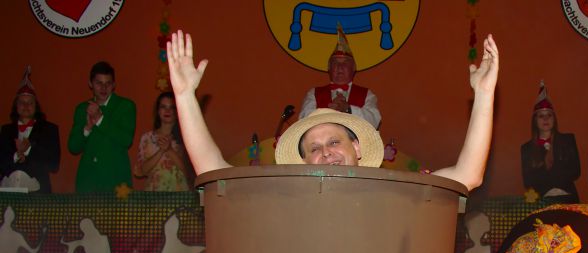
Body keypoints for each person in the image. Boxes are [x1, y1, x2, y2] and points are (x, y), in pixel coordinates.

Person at [166, 30, 497, 192]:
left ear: (357, 147)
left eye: (334, 142)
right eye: (314, 148)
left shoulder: (390, 191)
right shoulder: (286, 197)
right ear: (303, 160)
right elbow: (211, 169)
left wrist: (483, 96)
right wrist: (184, 97)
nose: (324, 152)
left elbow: (468, 175)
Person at [67, 61, 136, 193]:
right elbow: (73, 147)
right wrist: (87, 128)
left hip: (116, 181)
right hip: (88, 182)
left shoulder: (125, 106)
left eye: (108, 83)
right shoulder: (82, 109)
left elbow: (126, 140)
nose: (104, 88)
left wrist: (100, 119)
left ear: (114, 85)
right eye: (99, 83)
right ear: (90, 84)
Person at [299, 26, 381, 129]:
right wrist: (329, 111)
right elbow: (304, 121)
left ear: (354, 68)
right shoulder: (313, 93)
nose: (340, 67)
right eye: (335, 63)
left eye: (345, 63)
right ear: (329, 68)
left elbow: (374, 121)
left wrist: (348, 109)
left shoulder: (367, 94)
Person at [0, 67, 60, 193]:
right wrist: (16, 156)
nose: (26, 106)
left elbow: (54, 164)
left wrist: (28, 150)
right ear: (16, 106)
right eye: (22, 102)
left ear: (36, 106)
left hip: (37, 194)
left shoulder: (49, 130)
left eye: (30, 103)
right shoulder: (5, 131)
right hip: (7, 191)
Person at [520, 81, 580, 203]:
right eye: (541, 116)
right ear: (535, 121)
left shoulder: (567, 140)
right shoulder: (527, 148)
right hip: (543, 200)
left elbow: (575, 171)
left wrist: (546, 171)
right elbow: (528, 182)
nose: (546, 119)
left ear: (554, 119)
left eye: (549, 115)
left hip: (568, 198)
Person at [133, 92, 192, 191]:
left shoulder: (187, 138)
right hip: (154, 195)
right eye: (163, 107)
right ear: (158, 111)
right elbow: (141, 171)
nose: (167, 111)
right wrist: (161, 151)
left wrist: (169, 150)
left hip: (179, 195)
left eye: (172, 107)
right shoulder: (147, 138)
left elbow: (189, 173)